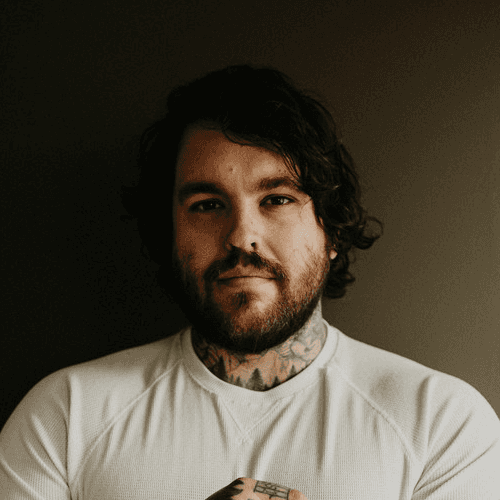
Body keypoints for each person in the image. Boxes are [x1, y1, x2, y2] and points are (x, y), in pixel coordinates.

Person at [0, 65, 499, 500]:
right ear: (167, 234)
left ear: (331, 230)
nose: (242, 236)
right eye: (207, 205)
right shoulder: (66, 416)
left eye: (277, 199)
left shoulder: (441, 424)